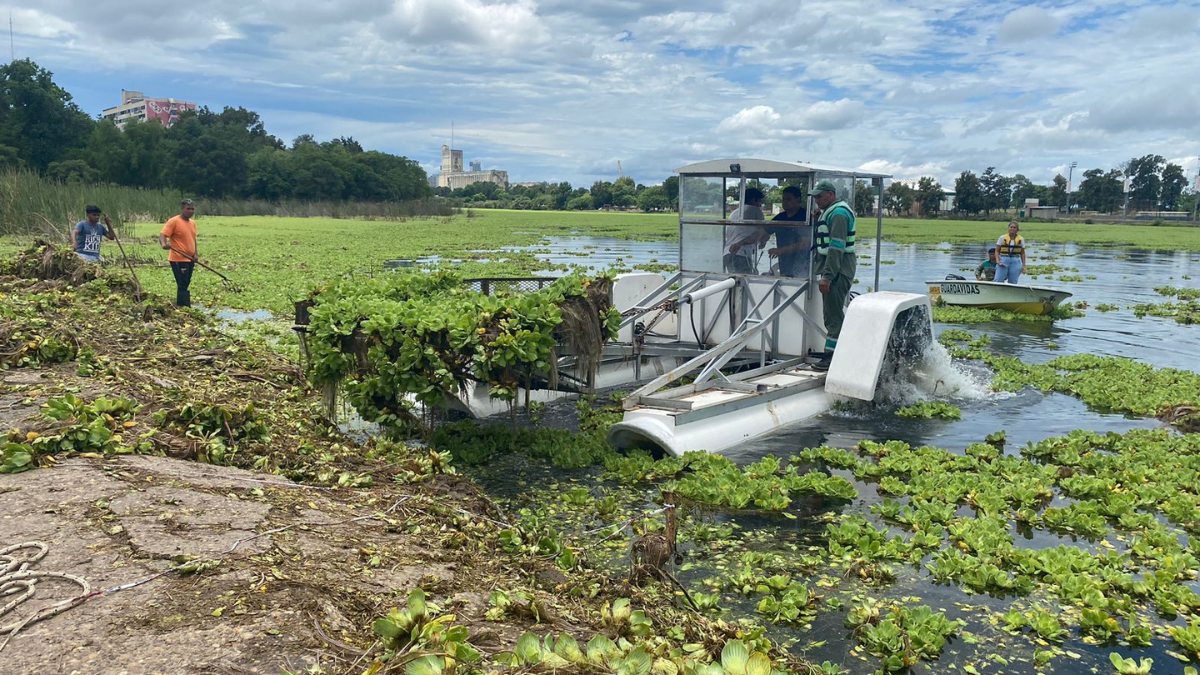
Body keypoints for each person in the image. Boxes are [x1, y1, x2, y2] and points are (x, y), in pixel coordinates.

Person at [810, 180, 855, 371]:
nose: (816, 200)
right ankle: (832, 351)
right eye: (815, 197)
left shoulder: (838, 214)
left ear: (831, 194)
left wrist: (827, 276)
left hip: (838, 271)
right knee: (830, 313)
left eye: (819, 196)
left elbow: (836, 248)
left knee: (834, 315)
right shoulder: (831, 212)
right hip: (835, 269)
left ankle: (832, 356)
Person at [159, 199, 199, 307]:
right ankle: (184, 306)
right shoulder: (174, 221)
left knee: (186, 283)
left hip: (190, 259)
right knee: (182, 284)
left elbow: (193, 239)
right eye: (188, 209)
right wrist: (163, 244)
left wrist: (195, 254)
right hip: (178, 259)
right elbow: (163, 234)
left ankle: (184, 305)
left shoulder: (192, 223)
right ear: (182, 209)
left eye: (192, 209)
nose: (190, 211)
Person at [767, 185, 810, 278]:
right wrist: (741, 242)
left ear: (798, 200)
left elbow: (804, 244)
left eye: (788, 199)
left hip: (803, 267)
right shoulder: (780, 218)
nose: (785, 202)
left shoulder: (806, 217)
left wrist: (780, 250)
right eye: (783, 199)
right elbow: (763, 232)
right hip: (785, 265)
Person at [723, 187, 768, 274]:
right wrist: (763, 240)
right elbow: (763, 231)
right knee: (744, 284)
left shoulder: (735, 212)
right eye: (759, 201)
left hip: (727, 253)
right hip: (741, 254)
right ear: (753, 200)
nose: (760, 205)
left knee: (734, 283)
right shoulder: (755, 210)